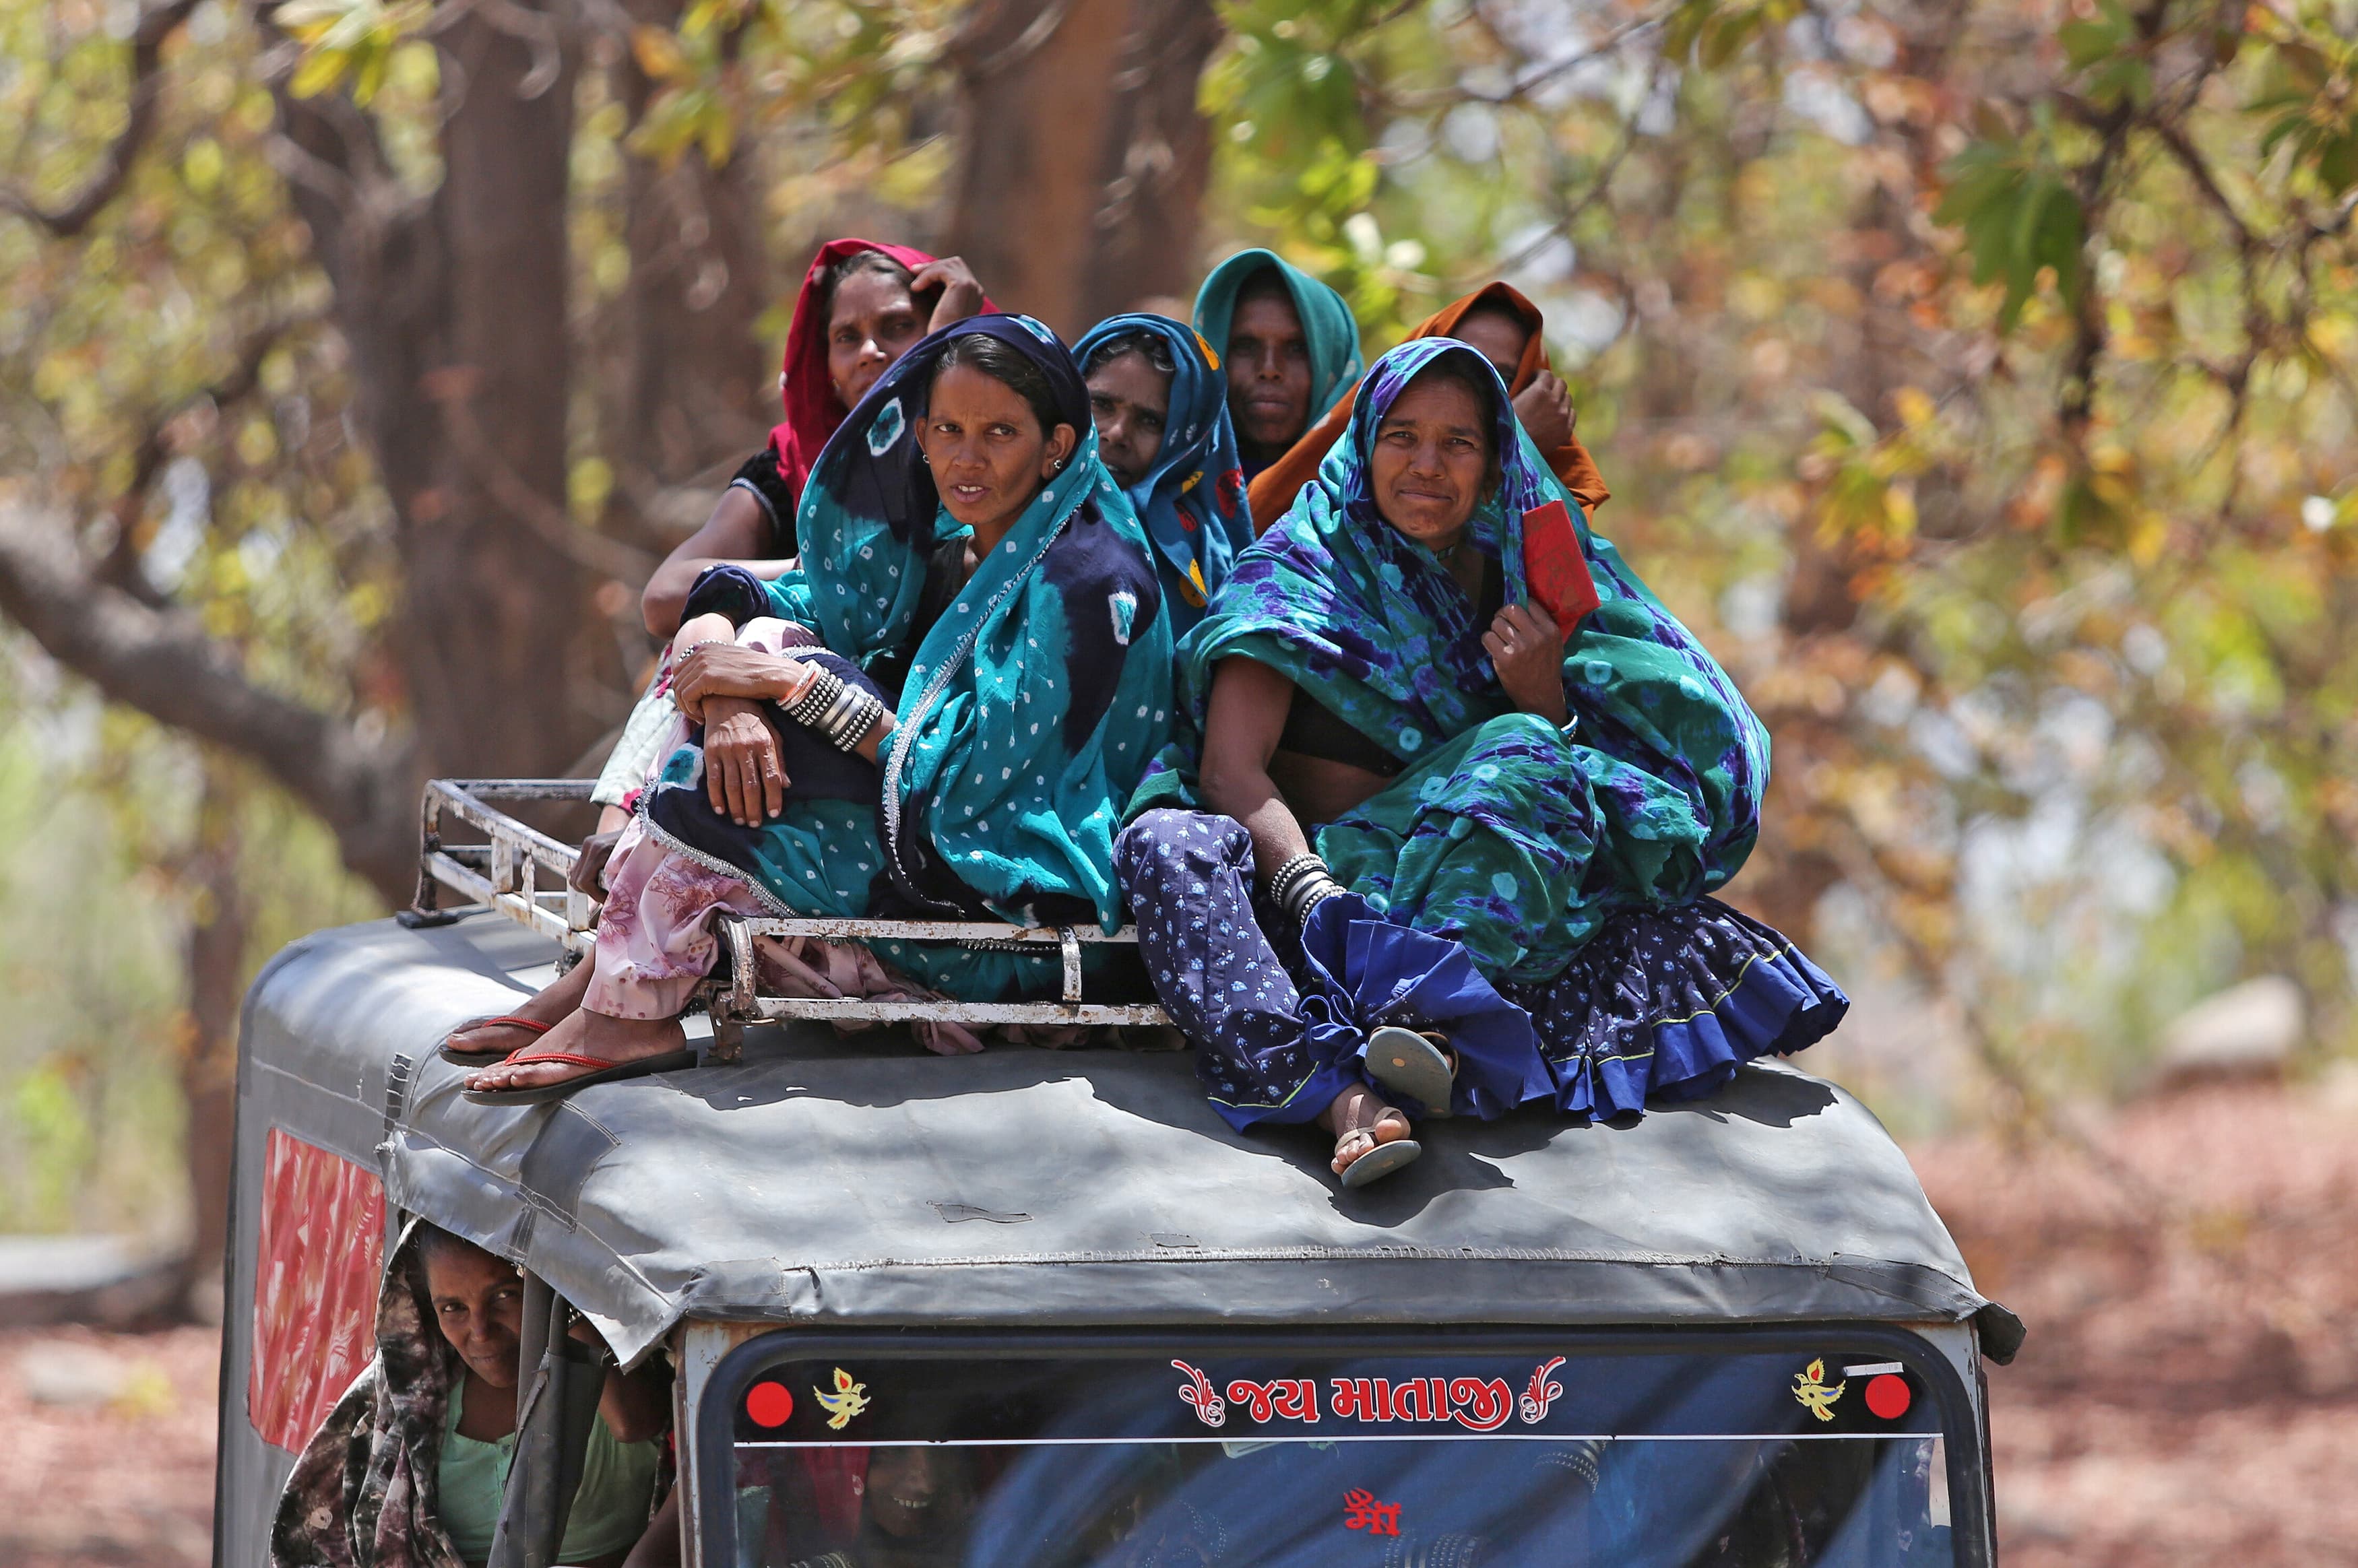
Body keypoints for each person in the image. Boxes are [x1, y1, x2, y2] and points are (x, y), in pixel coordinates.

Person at [1116, 339, 1847, 1185]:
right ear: (1363, 443)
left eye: (1457, 444)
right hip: (1315, 890)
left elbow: (1592, 778)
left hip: (1459, 898)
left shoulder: (1515, 579)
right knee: (1178, 844)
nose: (1427, 466)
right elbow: (1229, 776)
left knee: (1531, 749)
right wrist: (1321, 901)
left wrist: (1542, 694)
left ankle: (1427, 1032)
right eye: (1402, 436)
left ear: (1495, 462)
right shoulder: (1296, 574)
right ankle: (1360, 1061)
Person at [458, 315, 1173, 1103]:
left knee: (769, 669)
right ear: (921, 435)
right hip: (924, 845)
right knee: (754, 641)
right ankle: (613, 985)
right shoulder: (947, 538)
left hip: (1011, 908)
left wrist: (791, 687)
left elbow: (970, 796)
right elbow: (747, 600)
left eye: (1000, 432)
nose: (967, 458)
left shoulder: (1087, 582)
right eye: (948, 430)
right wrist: (726, 689)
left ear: (1057, 446)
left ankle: (625, 1004)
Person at [494, 242, 993, 990]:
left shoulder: (976, 465)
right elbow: (669, 592)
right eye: (845, 337)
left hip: (901, 735)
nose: (870, 351)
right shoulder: (792, 469)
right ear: (819, 360)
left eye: (897, 327)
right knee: (713, 626)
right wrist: (820, 577)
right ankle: (617, 857)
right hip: (775, 714)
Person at [269, 1222, 672, 1568]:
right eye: (453, 1309)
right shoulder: (406, 1398)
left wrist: (571, 1316)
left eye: (504, 1296)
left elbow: (633, 1425)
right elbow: (310, 1532)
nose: (480, 1331)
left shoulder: (606, 1366)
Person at [1245, 280, 1611, 529]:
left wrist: (1517, 456)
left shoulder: (1558, 498)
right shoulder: (1339, 497)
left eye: (1500, 378)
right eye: (1458, 364)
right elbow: (1255, 527)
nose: (1474, 391)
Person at [1073, 313, 1250, 634]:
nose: (1116, 433)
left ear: (1187, 444)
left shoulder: (1202, 560)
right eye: (1102, 404)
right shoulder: (1005, 504)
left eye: (1151, 422)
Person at [1189, 249, 1363, 485]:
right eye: (1245, 346)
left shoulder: (1375, 498)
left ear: (1334, 362)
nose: (1269, 369)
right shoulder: (1165, 489)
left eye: (1296, 349)